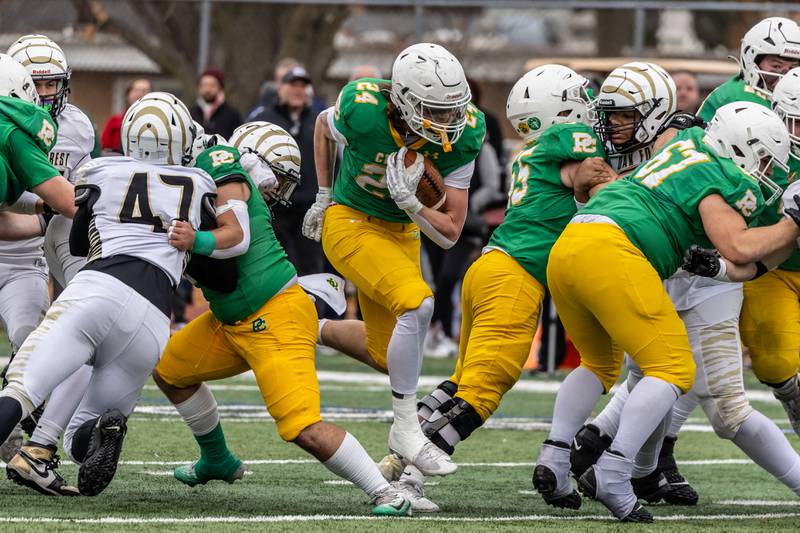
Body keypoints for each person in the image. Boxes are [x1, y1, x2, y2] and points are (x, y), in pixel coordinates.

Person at [535, 101, 798, 523]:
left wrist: (781, 236)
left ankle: (557, 458)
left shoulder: (690, 140)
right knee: (674, 369)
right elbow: (741, 247)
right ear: (742, 146)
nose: (765, 169)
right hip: (617, 251)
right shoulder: (720, 174)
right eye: (763, 156)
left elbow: (742, 263)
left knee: (600, 364)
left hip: (574, 244)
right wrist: (792, 224)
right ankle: (615, 469)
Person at [150, 121, 412, 517]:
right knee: (170, 371)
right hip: (230, 320)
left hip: (272, 318)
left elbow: (235, 239)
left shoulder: (221, 166)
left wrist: (195, 241)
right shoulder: (198, 175)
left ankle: (386, 493)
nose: (272, 189)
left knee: (302, 427)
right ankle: (217, 459)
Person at [0, 91, 245, 497]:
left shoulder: (100, 171)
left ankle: (44, 439)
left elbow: (78, 243)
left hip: (98, 288)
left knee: (22, 391)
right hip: (152, 319)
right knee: (83, 437)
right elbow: (222, 271)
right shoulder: (199, 184)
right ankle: (98, 430)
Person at [391, 64, 608, 510]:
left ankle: (394, 461)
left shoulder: (531, 152)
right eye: (579, 96)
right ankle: (410, 479)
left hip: (490, 267)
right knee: (483, 390)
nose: (589, 104)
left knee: (462, 381)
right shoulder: (571, 142)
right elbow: (597, 178)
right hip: (515, 277)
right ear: (561, 108)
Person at [302, 43, 485, 478]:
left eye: (452, 110)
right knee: (417, 302)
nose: (447, 122)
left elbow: (450, 233)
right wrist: (324, 194)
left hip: (401, 231)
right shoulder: (364, 109)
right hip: (349, 221)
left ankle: (305, 321)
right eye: (434, 110)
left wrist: (413, 206)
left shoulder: (467, 135)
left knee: (390, 356)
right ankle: (406, 430)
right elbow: (322, 127)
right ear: (402, 100)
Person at [0, 34, 98, 475]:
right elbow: (70, 200)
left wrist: (42, 212)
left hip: (23, 253)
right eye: (32, 86)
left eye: (50, 84)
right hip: (22, 230)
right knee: (71, 338)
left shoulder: (76, 128)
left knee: (29, 339)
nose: (41, 95)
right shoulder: (20, 137)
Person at [250, 66, 323, 276]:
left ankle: (312, 308)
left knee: (311, 266)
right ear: (280, 88)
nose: (298, 91)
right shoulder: (263, 118)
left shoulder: (319, 119)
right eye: (292, 85)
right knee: (276, 263)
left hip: (310, 204)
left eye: (302, 86)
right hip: (274, 203)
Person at [698, 17, 800, 122]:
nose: (785, 76)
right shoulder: (732, 97)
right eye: (776, 66)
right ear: (752, 62)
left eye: (792, 68)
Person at [100, 78, 151, 153]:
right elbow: (104, 147)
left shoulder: (161, 123)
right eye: (136, 90)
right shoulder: (114, 122)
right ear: (128, 95)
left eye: (144, 91)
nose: (140, 94)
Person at [190, 67, 242, 139]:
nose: (207, 90)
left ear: (220, 87)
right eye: (204, 85)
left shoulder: (232, 115)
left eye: (212, 85)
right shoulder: (191, 113)